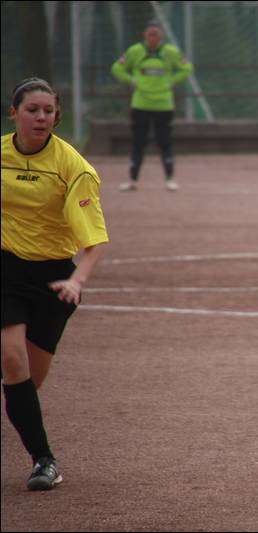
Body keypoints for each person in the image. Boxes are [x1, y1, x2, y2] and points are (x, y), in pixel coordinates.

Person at [1, 78, 109, 490]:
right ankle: (44, 461)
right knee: (13, 360)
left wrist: (76, 281)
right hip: (7, 268)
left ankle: (29, 432)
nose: (41, 117)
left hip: (54, 279)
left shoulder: (74, 167)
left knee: (28, 381)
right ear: (14, 113)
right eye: (33, 110)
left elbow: (94, 242)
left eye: (48, 111)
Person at [111, 19, 193, 192]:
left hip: (164, 105)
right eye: (150, 34)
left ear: (161, 35)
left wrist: (172, 81)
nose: (153, 37)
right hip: (141, 104)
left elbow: (187, 68)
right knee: (138, 142)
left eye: (156, 33)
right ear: (145, 35)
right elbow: (117, 68)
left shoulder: (170, 52)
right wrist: (131, 81)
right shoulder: (135, 51)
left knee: (165, 142)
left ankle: (170, 179)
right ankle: (133, 180)